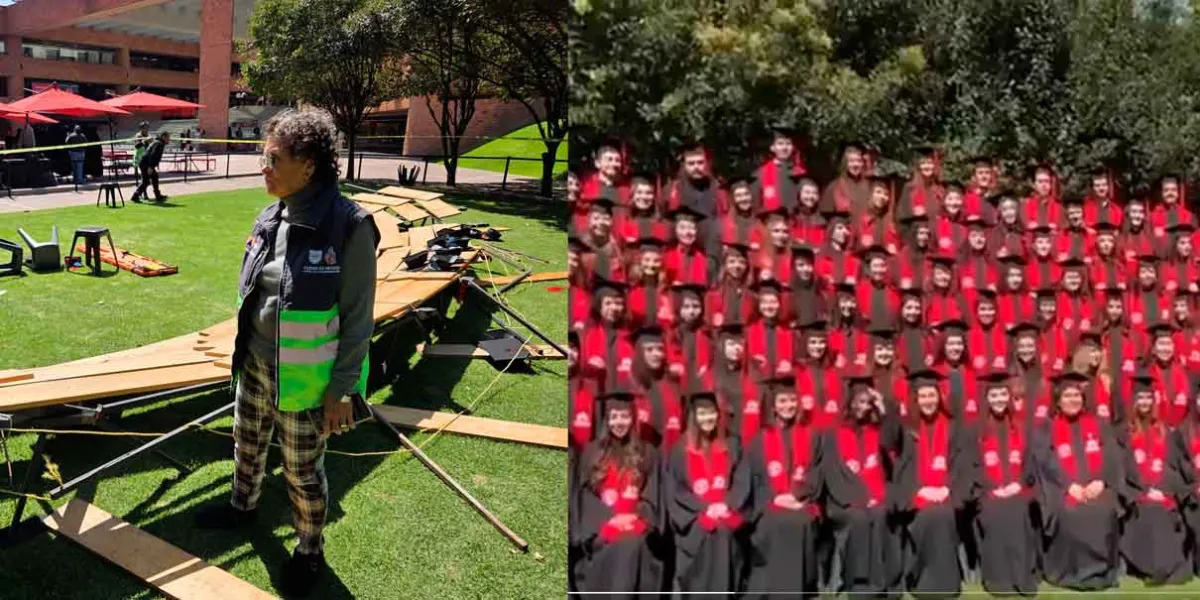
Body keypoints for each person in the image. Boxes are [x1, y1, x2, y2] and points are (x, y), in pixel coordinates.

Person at [192, 108, 380, 596]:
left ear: (309, 164)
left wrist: (342, 390)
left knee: (301, 471)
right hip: (254, 363)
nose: (264, 167)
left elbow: (359, 319)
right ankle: (242, 507)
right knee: (246, 442)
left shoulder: (350, 226)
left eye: (274, 158)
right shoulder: (269, 215)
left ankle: (309, 551)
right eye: (264, 156)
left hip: (306, 381)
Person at [1034, 370, 1123, 591]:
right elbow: (1046, 462)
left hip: (1096, 485)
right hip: (1063, 489)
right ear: (1057, 400)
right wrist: (1068, 486)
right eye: (1067, 396)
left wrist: (1101, 481)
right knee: (1070, 514)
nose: (1072, 400)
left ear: (1083, 399)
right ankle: (1070, 573)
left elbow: (1111, 454)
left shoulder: (1099, 424)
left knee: (1103, 509)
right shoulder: (1048, 428)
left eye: (1076, 396)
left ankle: (1102, 571)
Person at [571, 389, 665, 595]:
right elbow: (584, 497)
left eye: (625, 416)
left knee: (633, 544)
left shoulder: (648, 453)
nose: (619, 422)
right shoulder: (592, 452)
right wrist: (608, 520)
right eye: (614, 417)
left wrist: (635, 517)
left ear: (633, 419)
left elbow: (654, 494)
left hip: (637, 525)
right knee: (619, 546)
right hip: (601, 526)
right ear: (606, 419)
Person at [739, 375, 823, 598]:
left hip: (802, 502)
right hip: (769, 504)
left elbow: (816, 471)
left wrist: (797, 495)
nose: (788, 406)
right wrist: (774, 498)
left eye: (792, 400)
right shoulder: (759, 440)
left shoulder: (810, 436)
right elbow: (753, 480)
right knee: (776, 523)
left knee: (800, 520)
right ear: (773, 406)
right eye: (782, 401)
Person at [665, 387, 749, 593]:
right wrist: (704, 508)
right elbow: (676, 491)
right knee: (708, 533)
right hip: (694, 517)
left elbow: (741, 481)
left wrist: (726, 505)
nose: (708, 418)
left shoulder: (732, 444)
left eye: (711, 412)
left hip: (726, 511)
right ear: (693, 416)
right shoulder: (679, 450)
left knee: (724, 532)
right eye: (702, 413)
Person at [970, 369, 1040, 597]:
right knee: (996, 512)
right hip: (988, 492)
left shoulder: (1021, 427)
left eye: (1003, 395)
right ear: (986, 399)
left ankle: (1022, 579)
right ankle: (999, 580)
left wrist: (1018, 484)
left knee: (1018, 510)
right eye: (994, 396)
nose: (999, 400)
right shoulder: (976, 430)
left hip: (1018, 488)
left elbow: (1029, 463)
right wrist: (992, 489)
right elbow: (972, 467)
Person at [131, 131, 170, 203]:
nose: (169, 139)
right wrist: (151, 167)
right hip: (146, 164)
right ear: (163, 137)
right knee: (146, 181)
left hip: (145, 163)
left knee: (154, 177)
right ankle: (135, 196)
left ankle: (157, 196)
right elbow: (153, 155)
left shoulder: (158, 142)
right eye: (168, 138)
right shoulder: (159, 143)